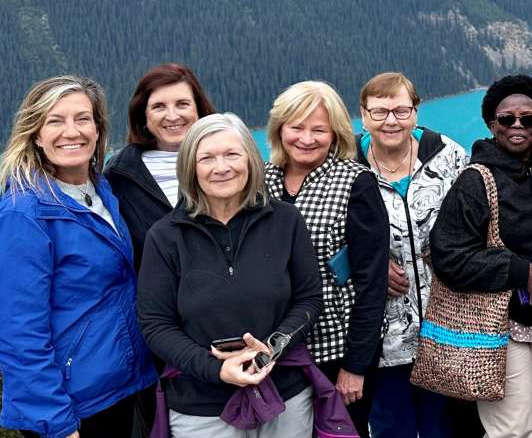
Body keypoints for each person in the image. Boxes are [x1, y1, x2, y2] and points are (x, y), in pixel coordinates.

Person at [137, 114, 324, 436]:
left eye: (232, 154)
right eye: (207, 158)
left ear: (250, 160)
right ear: (190, 168)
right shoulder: (165, 236)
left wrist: (272, 348)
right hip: (200, 405)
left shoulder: (285, 220)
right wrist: (217, 369)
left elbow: (308, 299)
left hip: (284, 395)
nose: (221, 167)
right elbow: (156, 324)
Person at [0, 76, 156, 438]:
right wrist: (56, 422)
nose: (72, 131)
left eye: (83, 118)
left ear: (98, 130)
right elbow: (20, 331)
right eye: (55, 121)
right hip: (71, 406)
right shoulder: (25, 213)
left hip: (118, 388)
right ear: (36, 135)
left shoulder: (101, 190)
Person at [429, 75, 532, 438]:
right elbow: (448, 256)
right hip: (498, 322)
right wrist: (517, 269)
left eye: (528, 118)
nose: (517, 125)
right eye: (507, 119)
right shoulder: (475, 181)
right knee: (513, 429)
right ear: (492, 125)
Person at [263, 80, 389, 437]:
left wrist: (356, 366)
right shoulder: (261, 179)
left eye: (319, 129)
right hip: (277, 351)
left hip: (337, 350)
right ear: (279, 129)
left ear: (335, 133)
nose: (306, 139)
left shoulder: (355, 182)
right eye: (296, 127)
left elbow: (372, 283)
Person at [352, 72, 469, 438]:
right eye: (380, 111)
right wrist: (367, 265)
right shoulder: (346, 166)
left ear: (416, 111)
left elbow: (476, 222)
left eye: (401, 111)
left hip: (444, 328)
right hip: (382, 337)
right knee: (391, 428)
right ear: (364, 115)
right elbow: (324, 238)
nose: (391, 121)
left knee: (443, 428)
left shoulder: (447, 156)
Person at [105, 62, 217, 266]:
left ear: (198, 109)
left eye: (182, 104)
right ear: (143, 116)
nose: (172, 116)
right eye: (159, 107)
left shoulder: (230, 166)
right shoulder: (119, 177)